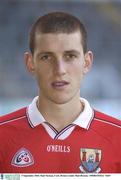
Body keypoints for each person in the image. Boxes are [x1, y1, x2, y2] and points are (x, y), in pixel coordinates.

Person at [0, 11, 121, 173]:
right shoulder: (2, 134)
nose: (59, 70)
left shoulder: (117, 137)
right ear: (30, 63)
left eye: (70, 56)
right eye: (47, 57)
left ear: (86, 62)